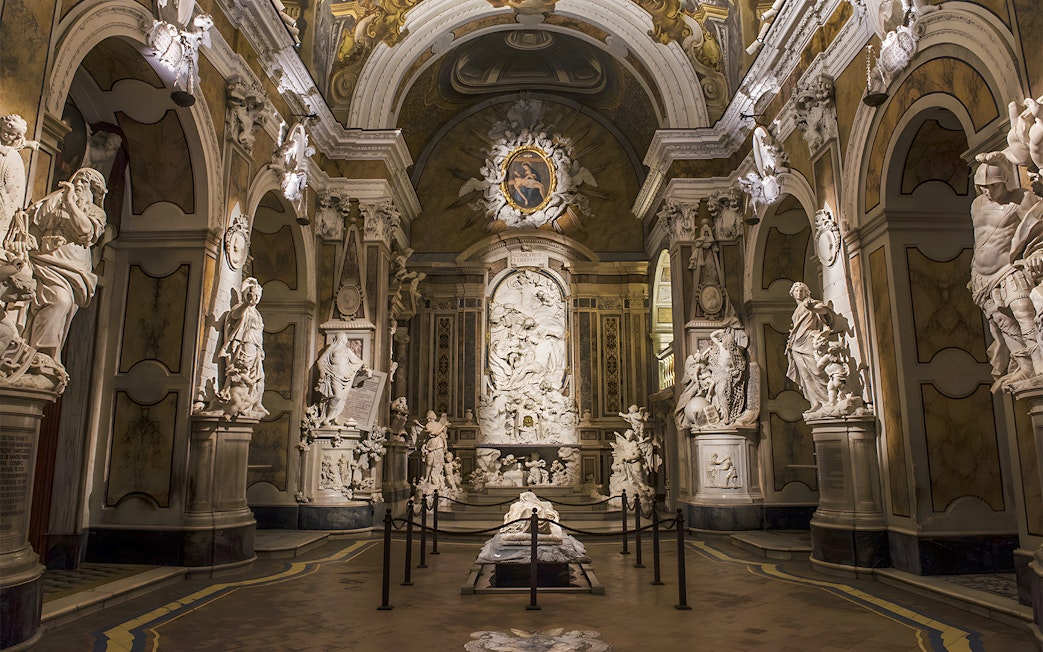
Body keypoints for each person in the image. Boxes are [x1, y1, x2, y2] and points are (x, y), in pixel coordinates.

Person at [967, 155, 1043, 385]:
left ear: (1006, 180)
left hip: (1008, 269)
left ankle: (1040, 367)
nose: (989, 191)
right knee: (1002, 321)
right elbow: (978, 239)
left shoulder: (1022, 199)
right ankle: (1025, 365)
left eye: (994, 186)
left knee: (1022, 310)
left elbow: (1039, 228)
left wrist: (1037, 253)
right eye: (984, 187)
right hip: (980, 276)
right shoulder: (977, 204)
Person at [24, 167, 107, 364]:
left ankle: (47, 356)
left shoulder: (96, 212)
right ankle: (40, 354)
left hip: (74, 270)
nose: (77, 185)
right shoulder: (53, 203)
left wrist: (70, 203)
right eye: (76, 180)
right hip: (46, 263)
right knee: (59, 301)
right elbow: (33, 224)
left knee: (66, 309)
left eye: (84, 183)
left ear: (93, 191)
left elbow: (85, 231)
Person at [216, 277, 267, 417]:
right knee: (243, 372)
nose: (256, 298)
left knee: (260, 377)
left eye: (258, 296)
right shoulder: (243, 308)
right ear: (247, 294)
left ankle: (256, 403)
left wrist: (260, 349)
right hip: (246, 344)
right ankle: (239, 403)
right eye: (254, 295)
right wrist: (246, 304)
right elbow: (235, 315)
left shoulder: (257, 313)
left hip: (256, 346)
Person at [785, 282, 835, 411]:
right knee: (805, 375)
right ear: (792, 294)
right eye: (796, 291)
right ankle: (815, 403)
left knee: (817, 370)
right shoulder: (797, 309)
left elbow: (824, 310)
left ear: (806, 292)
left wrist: (812, 308)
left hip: (808, 340)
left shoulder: (811, 302)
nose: (798, 293)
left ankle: (828, 400)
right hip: (796, 344)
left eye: (801, 291)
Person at [314, 332, 371, 426]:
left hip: (345, 377)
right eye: (344, 337)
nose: (345, 339)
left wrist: (365, 367)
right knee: (337, 396)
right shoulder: (332, 349)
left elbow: (357, 361)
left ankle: (333, 417)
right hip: (334, 375)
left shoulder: (347, 350)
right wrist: (322, 372)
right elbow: (321, 361)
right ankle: (328, 418)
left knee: (342, 398)